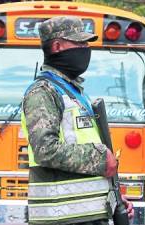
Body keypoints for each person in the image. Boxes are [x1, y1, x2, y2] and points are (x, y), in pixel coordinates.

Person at [21, 16, 134, 225]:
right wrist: (100, 158)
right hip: (62, 219)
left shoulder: (74, 93)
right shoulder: (43, 92)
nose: (85, 48)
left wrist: (111, 199)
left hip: (85, 217)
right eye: (79, 42)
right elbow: (45, 150)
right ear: (57, 46)